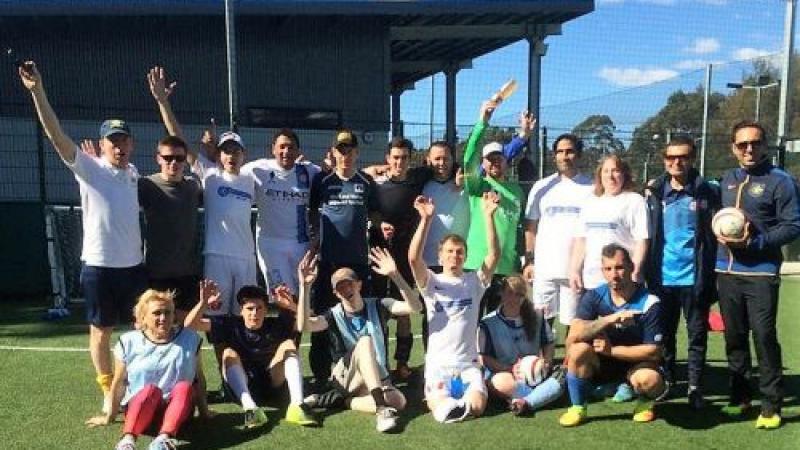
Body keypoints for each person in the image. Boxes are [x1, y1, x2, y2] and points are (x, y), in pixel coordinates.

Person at [18, 61, 148, 413]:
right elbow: (56, 137)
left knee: (145, 329)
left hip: (135, 267)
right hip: (100, 267)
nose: (119, 147)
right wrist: (37, 92)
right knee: (101, 332)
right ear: (103, 145)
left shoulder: (134, 172)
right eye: (112, 141)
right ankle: (109, 391)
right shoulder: (89, 168)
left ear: (132, 144)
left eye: (124, 140)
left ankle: (141, 384)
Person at [715, 121, 800, 429]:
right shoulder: (728, 178)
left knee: (763, 337)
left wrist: (756, 243)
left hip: (761, 273)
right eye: (742, 145)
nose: (749, 149)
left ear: (765, 146)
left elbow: (792, 225)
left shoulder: (781, 181)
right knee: (734, 337)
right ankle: (740, 398)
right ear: (733, 148)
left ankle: (771, 405)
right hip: (725, 270)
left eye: (755, 143)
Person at [297, 248, 422, 433]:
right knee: (365, 342)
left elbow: (415, 307)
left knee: (399, 401)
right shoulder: (333, 315)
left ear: (359, 285)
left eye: (349, 284)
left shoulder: (379, 305)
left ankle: (344, 401)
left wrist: (395, 275)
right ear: (335, 293)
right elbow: (304, 326)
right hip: (347, 377)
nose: (346, 289)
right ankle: (381, 409)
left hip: (377, 378)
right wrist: (305, 287)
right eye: (340, 286)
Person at [408, 191, 501, 423]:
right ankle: (448, 402)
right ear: (440, 257)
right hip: (438, 366)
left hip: (467, 365)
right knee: (440, 409)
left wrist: (488, 216)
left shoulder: (474, 282)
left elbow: (494, 255)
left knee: (478, 407)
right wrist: (426, 220)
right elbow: (412, 259)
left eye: (460, 252)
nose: (455, 256)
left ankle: (460, 403)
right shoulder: (431, 283)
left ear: (465, 257)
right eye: (449, 251)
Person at [644, 135, 719, 408]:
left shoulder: (707, 192)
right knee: (665, 335)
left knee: (697, 335)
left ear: (692, 159)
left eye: (683, 157)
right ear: (664, 161)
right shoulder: (653, 193)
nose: (677, 162)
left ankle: (695, 387)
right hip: (662, 279)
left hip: (695, 279)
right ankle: (668, 382)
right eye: (671, 157)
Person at [184, 281, 317, 429]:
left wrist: (291, 306)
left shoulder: (277, 324)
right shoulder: (231, 325)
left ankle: (297, 405)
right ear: (241, 310)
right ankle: (251, 410)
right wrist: (203, 303)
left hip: (274, 384)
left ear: (266, 310)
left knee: (289, 345)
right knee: (228, 353)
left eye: (259, 308)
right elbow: (190, 324)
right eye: (250, 308)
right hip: (244, 388)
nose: (255, 313)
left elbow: (308, 321)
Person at [559, 244, 665, 427]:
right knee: (577, 350)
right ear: (602, 271)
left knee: (650, 379)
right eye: (608, 269)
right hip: (601, 365)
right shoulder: (594, 296)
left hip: (636, 365)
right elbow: (571, 339)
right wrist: (608, 320)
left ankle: (643, 402)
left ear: (631, 267)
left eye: (619, 267)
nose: (614, 274)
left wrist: (612, 351)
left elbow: (653, 352)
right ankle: (578, 407)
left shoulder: (649, 302)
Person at [85, 290, 204, 450]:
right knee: (150, 390)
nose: (163, 318)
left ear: (173, 315)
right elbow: (119, 382)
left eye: (167, 313)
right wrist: (110, 416)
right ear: (143, 317)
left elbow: (198, 378)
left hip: (178, 413)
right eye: (156, 313)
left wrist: (204, 411)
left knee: (184, 387)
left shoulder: (189, 339)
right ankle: (127, 441)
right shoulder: (129, 341)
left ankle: (164, 439)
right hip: (141, 411)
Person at [307, 129, 380, 385]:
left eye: (350, 149)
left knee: (364, 318)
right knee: (323, 316)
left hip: (358, 264)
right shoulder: (322, 182)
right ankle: (319, 374)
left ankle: (371, 369)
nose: (345, 154)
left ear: (357, 152)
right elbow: (313, 214)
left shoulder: (367, 182)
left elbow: (376, 215)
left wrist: (382, 230)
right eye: (341, 149)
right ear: (333, 152)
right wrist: (315, 239)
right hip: (329, 263)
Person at [139, 68, 203, 322]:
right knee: (158, 329)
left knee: (190, 329)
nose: (173, 162)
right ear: (158, 159)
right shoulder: (145, 185)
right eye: (168, 158)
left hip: (188, 273)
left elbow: (180, 140)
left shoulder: (192, 187)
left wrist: (164, 103)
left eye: (178, 158)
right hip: (156, 274)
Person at [463, 100, 531, 313]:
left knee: (500, 323)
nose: (494, 163)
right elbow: (468, 158)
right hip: (477, 265)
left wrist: (524, 260)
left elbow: (522, 229)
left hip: (506, 269)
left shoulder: (517, 191)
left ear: (506, 160)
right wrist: (482, 121)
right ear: (482, 164)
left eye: (498, 158)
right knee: (472, 322)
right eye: (489, 160)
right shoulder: (478, 186)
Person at [523, 133, 593, 330]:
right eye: (560, 152)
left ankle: (571, 362)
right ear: (554, 156)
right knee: (540, 323)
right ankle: (542, 361)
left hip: (576, 270)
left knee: (575, 325)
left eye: (570, 151)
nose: (565, 156)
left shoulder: (592, 187)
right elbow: (531, 227)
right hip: (545, 269)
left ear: (579, 155)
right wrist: (529, 260)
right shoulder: (541, 187)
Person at [242, 129, 320, 298]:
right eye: (282, 147)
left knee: (302, 294)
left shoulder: (309, 171)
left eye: (291, 147)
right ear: (273, 149)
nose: (286, 152)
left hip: (301, 244)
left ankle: (301, 325)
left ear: (298, 151)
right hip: (270, 244)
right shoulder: (257, 169)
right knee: (281, 295)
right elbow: (229, 173)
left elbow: (335, 176)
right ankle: (287, 325)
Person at [478, 275, 564, 415]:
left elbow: (548, 343)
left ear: (524, 297)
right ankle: (540, 396)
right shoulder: (488, 323)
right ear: (502, 294)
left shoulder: (537, 316)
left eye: (519, 294)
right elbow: (484, 358)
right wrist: (510, 368)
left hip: (536, 372)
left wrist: (547, 362)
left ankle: (524, 401)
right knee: (498, 382)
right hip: (506, 373)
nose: (514, 299)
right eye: (510, 293)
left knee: (564, 373)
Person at [569, 154, 649, 293]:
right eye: (606, 171)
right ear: (600, 175)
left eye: (616, 171)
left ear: (624, 174)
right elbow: (581, 241)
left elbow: (642, 240)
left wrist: (635, 271)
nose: (610, 176)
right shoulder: (590, 202)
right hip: (592, 282)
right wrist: (574, 271)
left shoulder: (635, 201)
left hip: (623, 282)